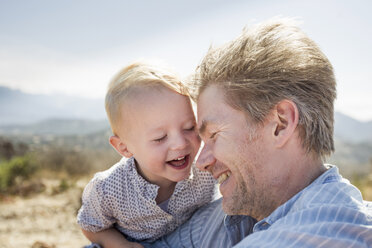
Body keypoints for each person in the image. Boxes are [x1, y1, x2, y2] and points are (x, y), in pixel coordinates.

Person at [144, 18, 372, 247]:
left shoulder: (327, 237)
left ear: (280, 124)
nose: (201, 162)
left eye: (214, 135)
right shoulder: (223, 220)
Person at [77, 62, 216, 248]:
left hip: (188, 239)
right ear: (124, 148)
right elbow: (91, 226)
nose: (181, 143)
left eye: (190, 128)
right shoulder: (108, 189)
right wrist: (121, 245)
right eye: (160, 138)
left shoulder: (206, 168)